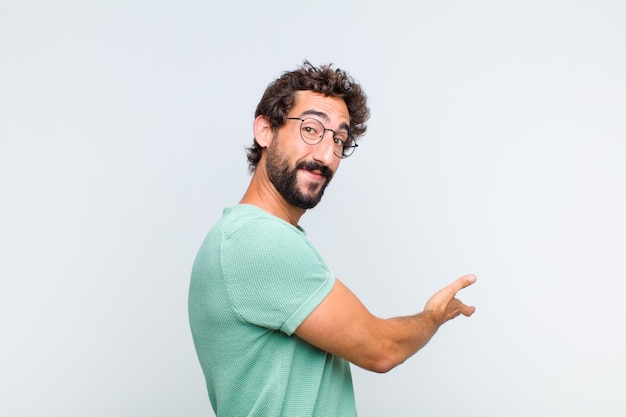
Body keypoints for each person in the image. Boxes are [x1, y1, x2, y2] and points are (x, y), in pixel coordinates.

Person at [188, 61, 476, 417]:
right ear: (265, 130)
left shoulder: (240, 238)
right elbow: (381, 348)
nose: (326, 155)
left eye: (339, 140)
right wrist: (432, 316)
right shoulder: (258, 242)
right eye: (311, 129)